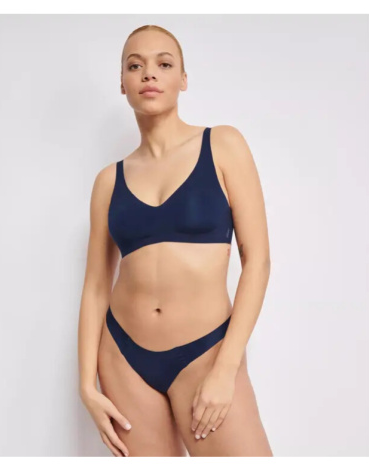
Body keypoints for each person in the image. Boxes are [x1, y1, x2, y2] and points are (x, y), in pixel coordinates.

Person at [78, 24, 273, 457]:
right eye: (135, 66)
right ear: (123, 83)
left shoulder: (222, 145)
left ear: (183, 79)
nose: (149, 73)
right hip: (124, 359)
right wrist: (86, 385)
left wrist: (226, 368)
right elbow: (95, 286)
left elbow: (257, 260)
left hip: (206, 352)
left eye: (164, 64)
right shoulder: (108, 181)